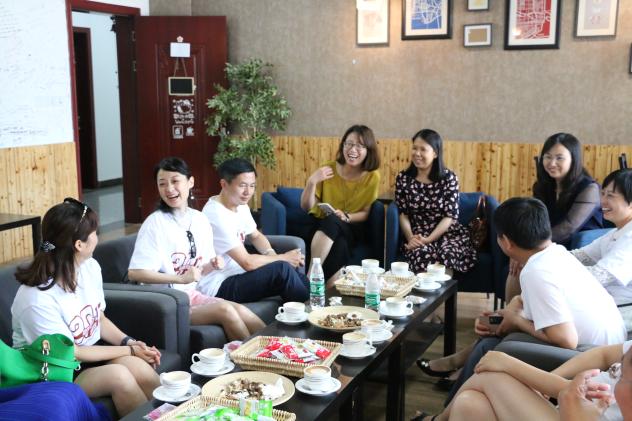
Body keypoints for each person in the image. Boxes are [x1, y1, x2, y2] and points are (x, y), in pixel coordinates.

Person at [417, 197, 625, 408]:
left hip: (593, 360)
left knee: (491, 349)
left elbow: (566, 339)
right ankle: (453, 405)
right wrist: (504, 316)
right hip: (608, 351)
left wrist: (516, 321)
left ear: (506, 242)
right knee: (492, 339)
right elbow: (526, 303)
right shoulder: (555, 254)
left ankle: (449, 412)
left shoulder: (536, 270)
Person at [11, 198, 161, 417]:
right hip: (53, 371)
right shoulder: (36, 299)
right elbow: (73, 352)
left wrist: (129, 342)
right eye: (94, 232)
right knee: (119, 377)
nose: (97, 237)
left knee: (141, 370)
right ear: (79, 245)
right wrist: (130, 350)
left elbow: (98, 318)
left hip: (87, 357)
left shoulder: (89, 267)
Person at [128, 157, 265, 341]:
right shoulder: (154, 223)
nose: (169, 189)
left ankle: (279, 349)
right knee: (225, 310)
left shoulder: (199, 219)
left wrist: (212, 265)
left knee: (241, 310)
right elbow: (135, 273)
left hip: (191, 295)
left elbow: (199, 271)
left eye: (175, 181)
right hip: (165, 301)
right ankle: (254, 356)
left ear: (190, 182)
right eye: (162, 184)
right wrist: (180, 278)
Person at [414, 343, 632, 421]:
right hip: (571, 407)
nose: (616, 373)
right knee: (469, 404)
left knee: (490, 375)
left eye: (621, 375)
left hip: (576, 415)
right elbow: (605, 353)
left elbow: (565, 337)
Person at [505, 133, 604, 301]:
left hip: (576, 247)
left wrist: (531, 247)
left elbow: (569, 227)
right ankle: (511, 313)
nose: (552, 163)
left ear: (573, 159)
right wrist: (520, 246)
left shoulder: (589, 189)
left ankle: (522, 313)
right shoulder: (543, 186)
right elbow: (534, 220)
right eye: (548, 157)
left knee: (524, 260)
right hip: (547, 243)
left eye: (559, 158)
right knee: (516, 261)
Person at [198, 158, 309, 303]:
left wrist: (272, 255)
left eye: (252, 186)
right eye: (242, 185)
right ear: (224, 184)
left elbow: (256, 236)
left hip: (238, 273)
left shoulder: (240, 204)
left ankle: (317, 307)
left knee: (295, 274)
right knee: (282, 270)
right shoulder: (216, 215)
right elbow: (247, 262)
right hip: (219, 284)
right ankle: (309, 311)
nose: (248, 192)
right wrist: (282, 258)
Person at [300, 124, 381, 284]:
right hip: (323, 226)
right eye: (349, 143)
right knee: (339, 243)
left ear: (368, 150)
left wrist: (346, 216)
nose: (352, 149)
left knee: (334, 223)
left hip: (352, 227)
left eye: (359, 146)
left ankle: (309, 279)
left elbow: (365, 213)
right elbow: (306, 207)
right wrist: (311, 182)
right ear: (343, 145)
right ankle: (327, 294)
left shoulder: (372, 177)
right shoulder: (328, 169)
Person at [394, 128, 477, 275]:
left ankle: (444, 290)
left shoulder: (449, 178)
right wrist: (411, 238)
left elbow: (449, 216)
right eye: (414, 148)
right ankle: (422, 291)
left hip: (447, 232)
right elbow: (403, 214)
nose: (417, 153)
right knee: (421, 254)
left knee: (448, 254)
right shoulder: (403, 178)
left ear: (435, 153)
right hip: (417, 233)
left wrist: (429, 239)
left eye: (423, 149)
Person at [571, 169, 632, 306]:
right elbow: (578, 256)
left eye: (610, 195)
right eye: (603, 193)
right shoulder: (615, 233)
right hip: (605, 304)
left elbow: (598, 277)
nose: (602, 201)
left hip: (624, 310)